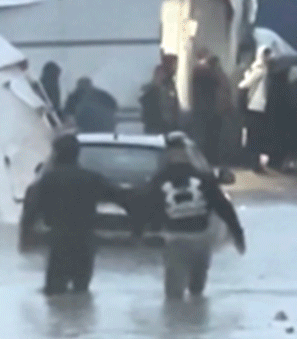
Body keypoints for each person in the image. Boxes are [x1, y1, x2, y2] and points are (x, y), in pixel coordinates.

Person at [134, 135, 246, 300]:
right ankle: (195, 313)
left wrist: (138, 233)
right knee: (197, 292)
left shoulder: (159, 180)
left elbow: (146, 208)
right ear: (187, 154)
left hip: (175, 239)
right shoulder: (204, 177)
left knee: (173, 296)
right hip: (201, 238)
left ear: (168, 155)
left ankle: (178, 315)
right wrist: (238, 235)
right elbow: (224, 208)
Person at [22, 134, 128, 295]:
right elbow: (121, 198)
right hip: (84, 243)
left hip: (59, 243)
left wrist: (25, 233)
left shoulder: (48, 180)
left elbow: (32, 211)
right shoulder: (92, 179)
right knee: (81, 292)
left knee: (54, 293)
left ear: (56, 154)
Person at [237, 47, 272, 172]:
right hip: (256, 106)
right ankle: (253, 163)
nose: (268, 57)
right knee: (255, 136)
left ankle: (251, 162)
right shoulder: (260, 69)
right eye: (266, 54)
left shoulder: (258, 68)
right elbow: (245, 84)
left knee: (252, 136)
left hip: (255, 106)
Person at [191, 50, 224, 164]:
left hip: (201, 107)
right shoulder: (205, 70)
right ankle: (210, 159)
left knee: (203, 135)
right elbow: (217, 82)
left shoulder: (198, 69)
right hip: (208, 107)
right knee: (209, 136)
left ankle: (204, 158)